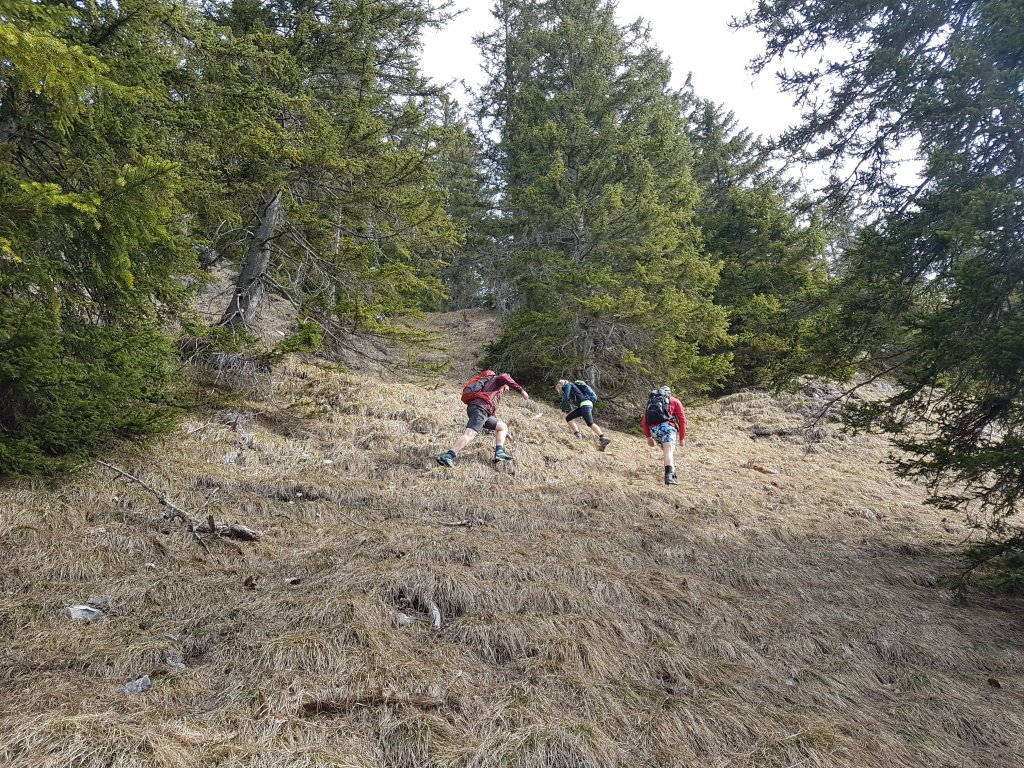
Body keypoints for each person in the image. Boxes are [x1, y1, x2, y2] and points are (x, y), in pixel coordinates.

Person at [437, 371, 529, 467]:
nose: (507, 390)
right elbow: (504, 376)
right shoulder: (498, 380)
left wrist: (505, 433)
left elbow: (491, 412)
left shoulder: (493, 391)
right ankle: (448, 456)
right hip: (480, 409)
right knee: (470, 434)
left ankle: (499, 452)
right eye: (507, 387)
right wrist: (521, 391)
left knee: (502, 427)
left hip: (481, 410)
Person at [641, 385, 686, 485]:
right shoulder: (674, 401)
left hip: (654, 430)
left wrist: (648, 437)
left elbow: (644, 421)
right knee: (668, 451)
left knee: (667, 451)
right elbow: (682, 420)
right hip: (667, 428)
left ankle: (672, 472)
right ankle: (668, 477)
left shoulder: (652, 402)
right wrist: (682, 438)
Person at [556, 379, 611, 450]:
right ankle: (578, 435)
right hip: (583, 405)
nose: (559, 389)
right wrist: (567, 410)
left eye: (559, 387)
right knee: (569, 418)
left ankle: (603, 438)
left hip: (585, 404)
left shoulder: (568, 385)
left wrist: (563, 411)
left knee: (589, 423)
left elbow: (566, 397)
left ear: (561, 384)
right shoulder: (572, 387)